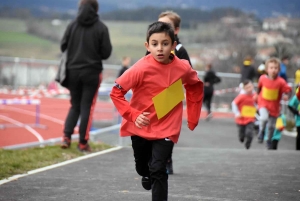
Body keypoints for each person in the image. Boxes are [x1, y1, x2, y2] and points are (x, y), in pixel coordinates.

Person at [110, 21, 203, 201]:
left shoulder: (182, 67)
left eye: (165, 43)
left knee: (159, 169)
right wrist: (133, 115)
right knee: (143, 167)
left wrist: (193, 116)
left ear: (174, 45)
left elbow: (195, 85)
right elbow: (116, 92)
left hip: (167, 126)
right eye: (155, 44)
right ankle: (145, 172)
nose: (160, 48)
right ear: (147, 46)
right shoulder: (140, 68)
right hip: (141, 124)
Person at [60, 0, 112, 152]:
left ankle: (66, 137)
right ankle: (83, 142)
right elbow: (106, 53)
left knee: (74, 105)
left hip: (72, 71)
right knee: (86, 107)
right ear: (96, 9)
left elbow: (63, 45)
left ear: (80, 7)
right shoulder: (101, 27)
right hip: (92, 72)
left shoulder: (72, 25)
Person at [154, 10, 193, 175]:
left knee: (168, 132)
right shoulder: (153, 46)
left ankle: (166, 159)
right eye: (159, 24)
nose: (162, 28)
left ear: (176, 30)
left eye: (166, 25)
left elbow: (188, 71)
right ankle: (156, 159)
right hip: (154, 93)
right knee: (154, 130)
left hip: (172, 95)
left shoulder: (180, 50)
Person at [256, 57, 291, 149]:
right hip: (263, 102)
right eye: (271, 68)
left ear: (279, 69)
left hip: (274, 106)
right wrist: (256, 95)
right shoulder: (262, 78)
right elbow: (259, 88)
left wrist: (286, 95)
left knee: (271, 126)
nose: (273, 70)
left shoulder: (281, 81)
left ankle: (269, 140)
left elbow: (287, 89)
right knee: (263, 118)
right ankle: (261, 132)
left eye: (276, 68)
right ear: (267, 69)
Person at [232, 80, 256, 149]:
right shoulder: (241, 96)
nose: (249, 89)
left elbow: (258, 103)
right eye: (247, 87)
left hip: (250, 117)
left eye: (250, 87)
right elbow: (234, 104)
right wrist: (237, 113)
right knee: (241, 132)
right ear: (244, 89)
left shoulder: (255, 95)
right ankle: (241, 137)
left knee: (249, 132)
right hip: (241, 118)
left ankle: (248, 142)